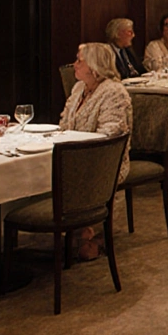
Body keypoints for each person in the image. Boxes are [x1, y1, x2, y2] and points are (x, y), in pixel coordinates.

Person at [60, 43, 133, 259]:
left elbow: (110, 137)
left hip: (104, 162)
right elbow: (64, 123)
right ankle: (73, 228)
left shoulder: (114, 92)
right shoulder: (78, 89)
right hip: (74, 156)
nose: (74, 64)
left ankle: (88, 230)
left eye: (79, 60)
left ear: (94, 66)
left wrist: (76, 148)